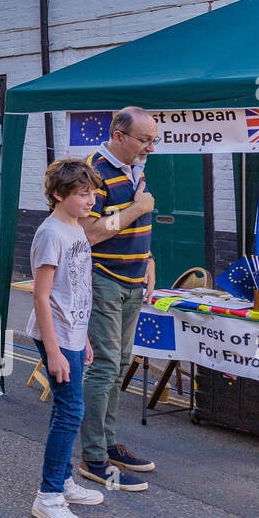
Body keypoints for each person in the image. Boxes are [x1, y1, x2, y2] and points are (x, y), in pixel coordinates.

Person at [77, 107, 159, 491]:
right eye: (144, 140)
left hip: (132, 278)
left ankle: (108, 444)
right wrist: (138, 208)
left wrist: (149, 259)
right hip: (104, 279)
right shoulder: (92, 171)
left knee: (120, 362)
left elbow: (137, 222)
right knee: (105, 365)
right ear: (118, 135)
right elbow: (91, 232)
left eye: (153, 140)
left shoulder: (134, 166)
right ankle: (93, 456)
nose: (150, 148)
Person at [28, 158, 106, 518]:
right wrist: (55, 350)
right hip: (56, 337)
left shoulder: (75, 228)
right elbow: (41, 296)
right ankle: (48, 496)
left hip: (73, 334)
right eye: (83, 193)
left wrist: (84, 336)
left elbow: (76, 290)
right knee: (71, 411)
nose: (91, 200)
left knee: (67, 410)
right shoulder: (51, 233)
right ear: (59, 194)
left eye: (93, 193)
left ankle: (62, 480)